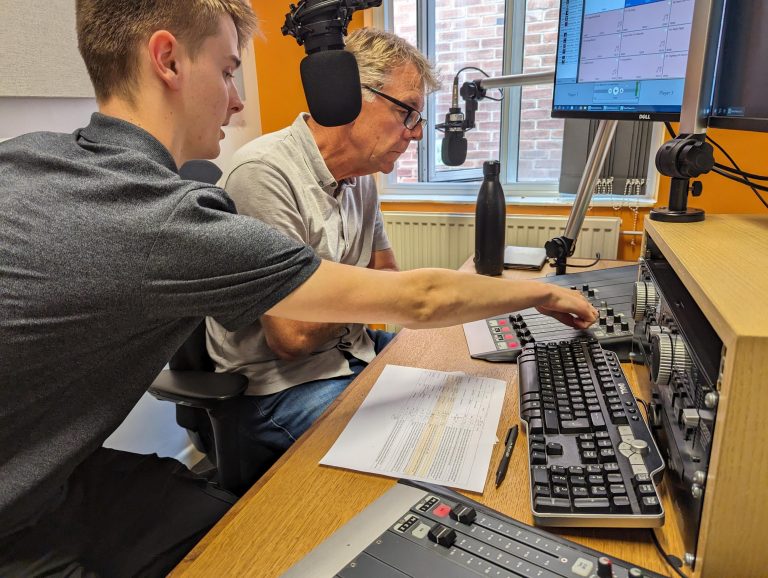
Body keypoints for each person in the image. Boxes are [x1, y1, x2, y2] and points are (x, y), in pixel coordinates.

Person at [0, 0, 596, 575]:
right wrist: (543, 293)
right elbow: (407, 301)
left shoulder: (25, 160)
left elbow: (387, 285)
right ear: (169, 60)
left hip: (64, 472)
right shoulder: (165, 217)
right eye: (230, 71)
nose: (238, 102)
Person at [206, 28, 440, 479]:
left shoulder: (362, 177)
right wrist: (374, 290)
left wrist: (354, 291)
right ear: (349, 95)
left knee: (457, 381)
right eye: (407, 112)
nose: (415, 134)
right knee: (418, 458)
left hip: (353, 353)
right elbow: (293, 337)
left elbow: (386, 274)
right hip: (282, 388)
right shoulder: (263, 174)